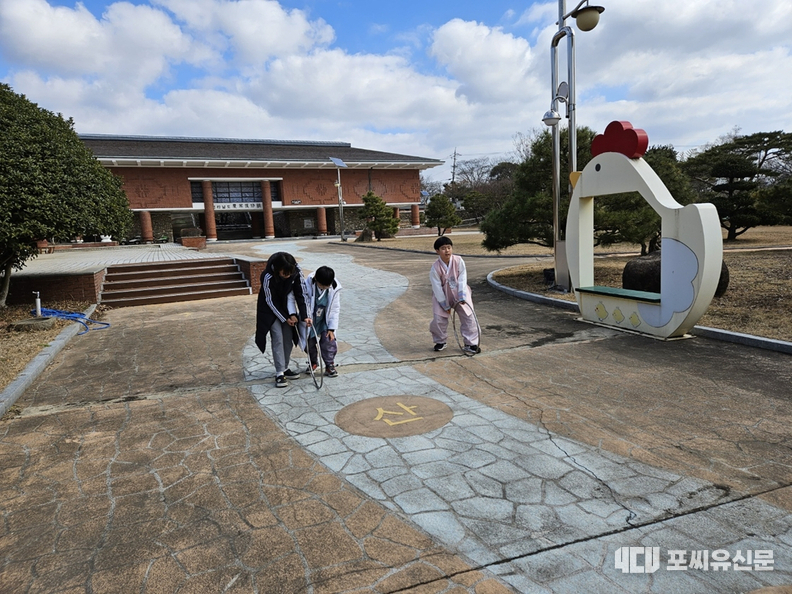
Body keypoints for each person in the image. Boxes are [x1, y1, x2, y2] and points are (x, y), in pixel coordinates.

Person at [255, 252, 311, 388]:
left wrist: (305, 315)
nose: (287, 276)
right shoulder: (267, 276)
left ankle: (285, 367)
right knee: (278, 337)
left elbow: (301, 293)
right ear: (277, 269)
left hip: (287, 307)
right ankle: (279, 372)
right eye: (284, 274)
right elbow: (270, 301)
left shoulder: (296, 271)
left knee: (288, 338)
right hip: (269, 310)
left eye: (289, 273)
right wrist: (284, 318)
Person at [429, 236, 480, 354]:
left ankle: (471, 343)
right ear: (437, 251)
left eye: (449, 247)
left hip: (460, 292)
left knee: (469, 316)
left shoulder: (458, 260)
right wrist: (444, 304)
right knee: (438, 319)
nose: (447, 251)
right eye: (443, 248)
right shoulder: (435, 267)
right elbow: (436, 286)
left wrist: (462, 295)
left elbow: (462, 277)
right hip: (442, 294)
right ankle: (440, 341)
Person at [301, 266, 342, 377]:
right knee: (309, 343)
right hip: (311, 319)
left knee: (329, 341)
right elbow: (304, 302)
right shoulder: (307, 284)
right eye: (322, 285)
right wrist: (305, 316)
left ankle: (329, 365)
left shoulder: (334, 288)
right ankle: (313, 362)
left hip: (325, 319)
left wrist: (331, 328)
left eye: (326, 286)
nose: (324, 288)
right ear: (316, 279)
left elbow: (335, 308)